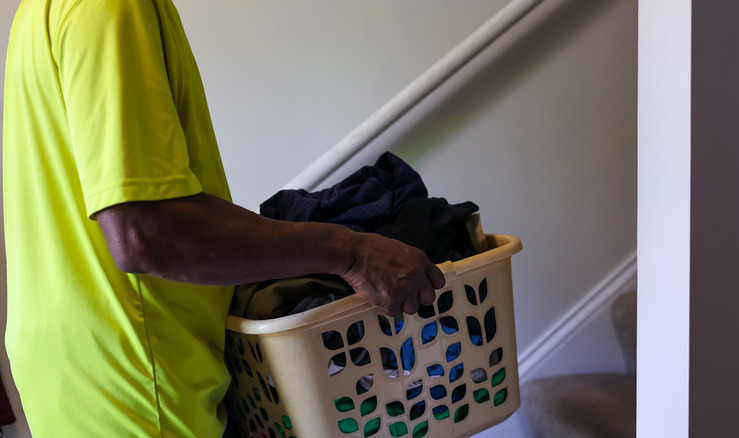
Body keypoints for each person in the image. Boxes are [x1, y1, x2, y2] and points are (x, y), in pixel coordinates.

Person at [2, 0, 445, 436]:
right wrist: (352, 252)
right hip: (136, 383)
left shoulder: (41, 11)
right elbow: (144, 233)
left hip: (79, 375)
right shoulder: (110, 7)